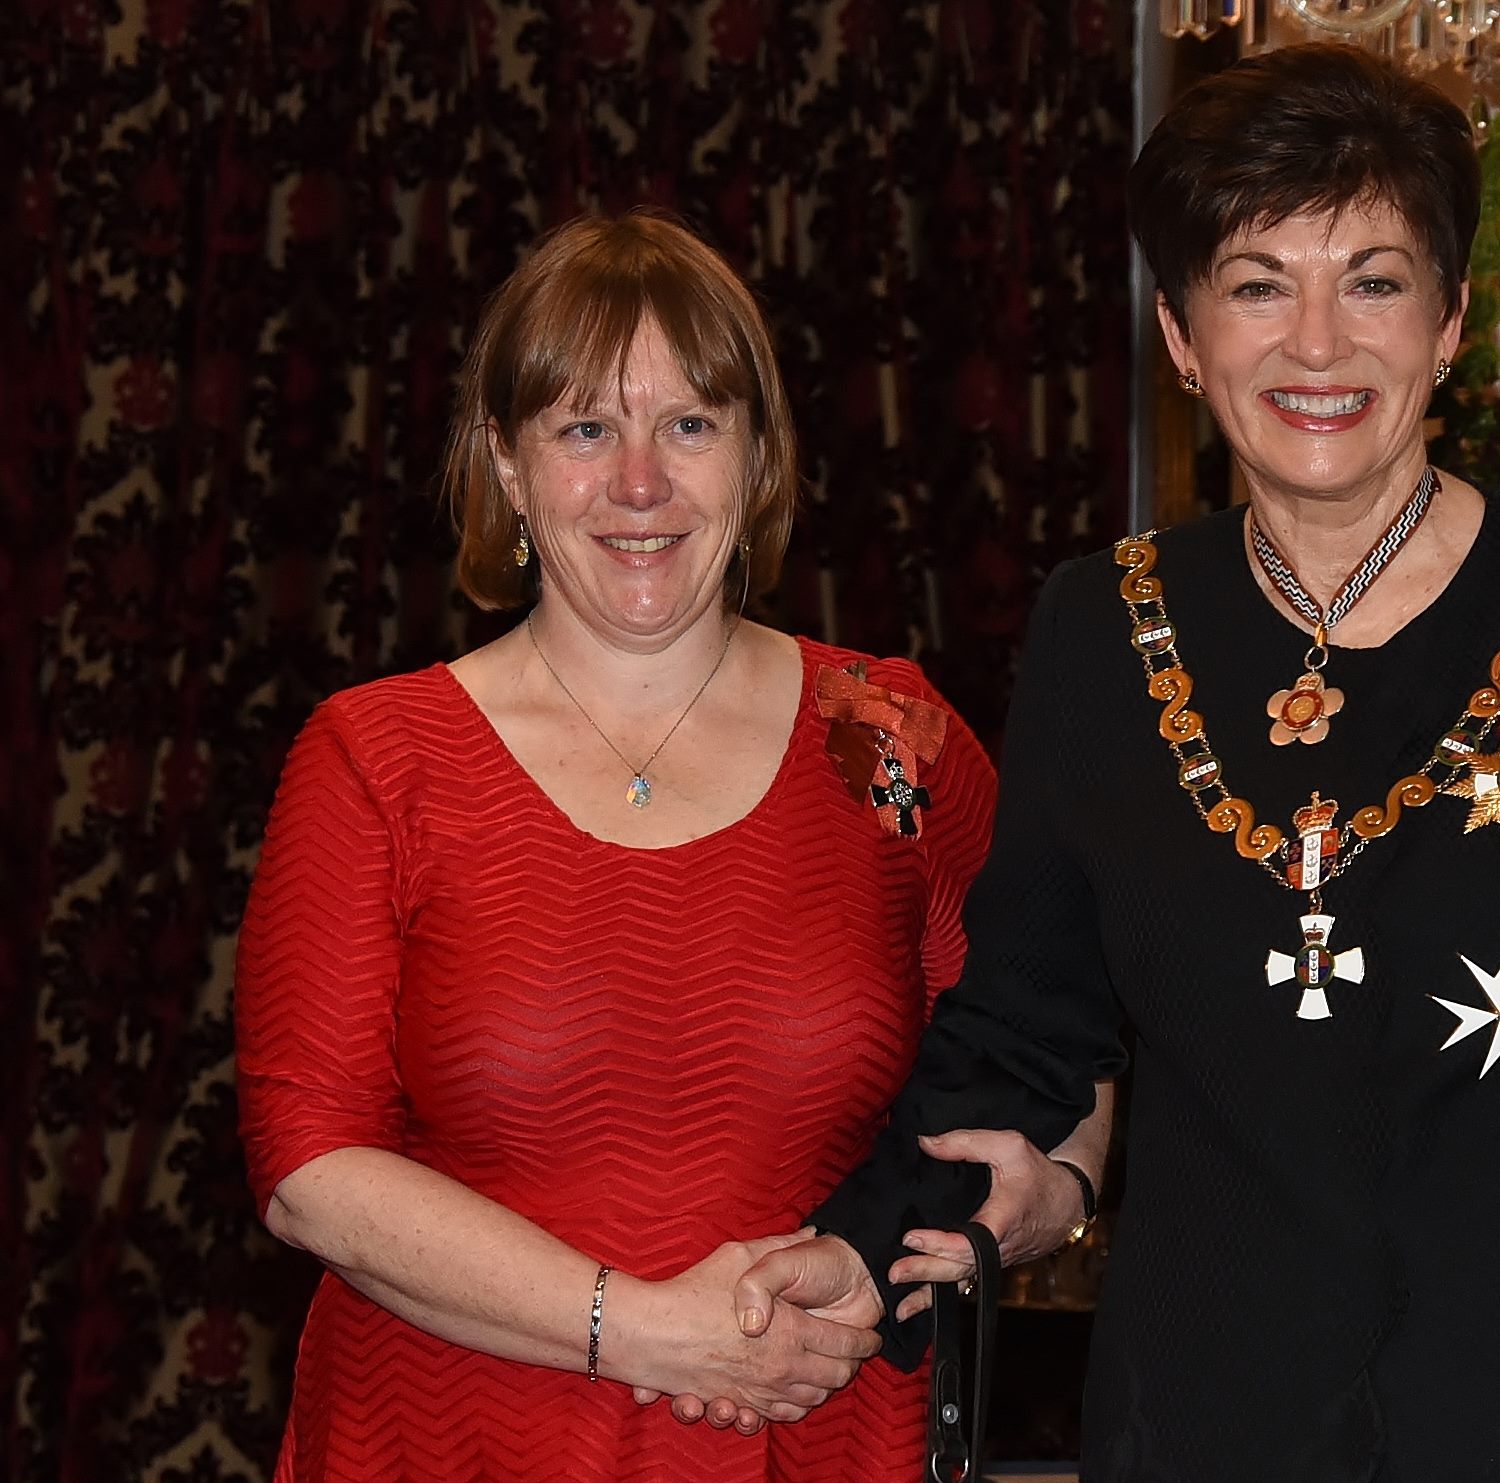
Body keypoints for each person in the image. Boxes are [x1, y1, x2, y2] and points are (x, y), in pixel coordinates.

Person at [732, 44, 1500, 1482]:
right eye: (1259, 282)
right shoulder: (1105, 622)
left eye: (1375, 280)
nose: (1318, 343)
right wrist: (858, 1238)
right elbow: (1025, 1028)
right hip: (1212, 1414)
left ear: (1451, 321)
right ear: (1183, 332)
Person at [233, 208, 1105, 1481]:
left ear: (755, 458)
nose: (638, 482)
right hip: (453, 1442)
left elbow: (1061, 1037)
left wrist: (1056, 1198)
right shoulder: (380, 756)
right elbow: (308, 1167)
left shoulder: (888, 734)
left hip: (819, 1434)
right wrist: (640, 1330)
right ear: (507, 465)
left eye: (690, 424)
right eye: (584, 429)